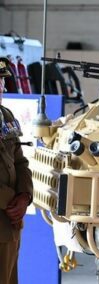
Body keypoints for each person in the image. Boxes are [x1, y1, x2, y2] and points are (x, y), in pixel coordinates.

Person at [0, 58, 33, 284]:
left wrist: (25, 196)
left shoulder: (6, 115)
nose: (0, 88)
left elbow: (20, 162)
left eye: (1, 82)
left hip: (9, 222)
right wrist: (11, 201)